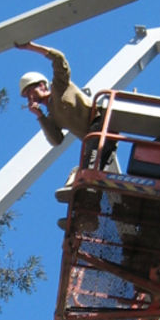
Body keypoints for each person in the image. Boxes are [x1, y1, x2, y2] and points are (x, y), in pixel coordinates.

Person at [16, 41, 116, 211]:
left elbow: (59, 59)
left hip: (100, 123)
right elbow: (56, 140)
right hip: (94, 138)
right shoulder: (52, 116)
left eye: (30, 92)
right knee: (92, 172)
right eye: (26, 96)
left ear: (42, 85)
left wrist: (31, 47)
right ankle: (88, 211)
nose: (30, 98)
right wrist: (40, 116)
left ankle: (82, 190)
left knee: (88, 166)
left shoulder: (59, 88)